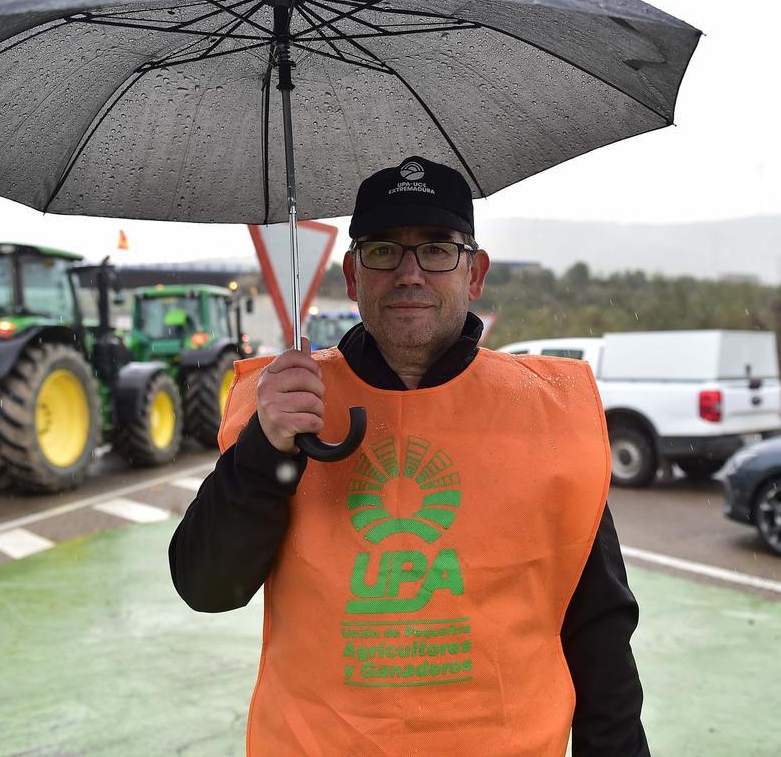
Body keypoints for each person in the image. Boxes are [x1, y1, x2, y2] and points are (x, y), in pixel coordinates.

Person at [170, 156, 648, 756]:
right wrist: (264, 450)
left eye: (437, 248)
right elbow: (207, 585)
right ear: (351, 274)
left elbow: (599, 632)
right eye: (383, 251)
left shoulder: (547, 414)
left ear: (474, 273)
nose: (410, 273)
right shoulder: (285, 410)